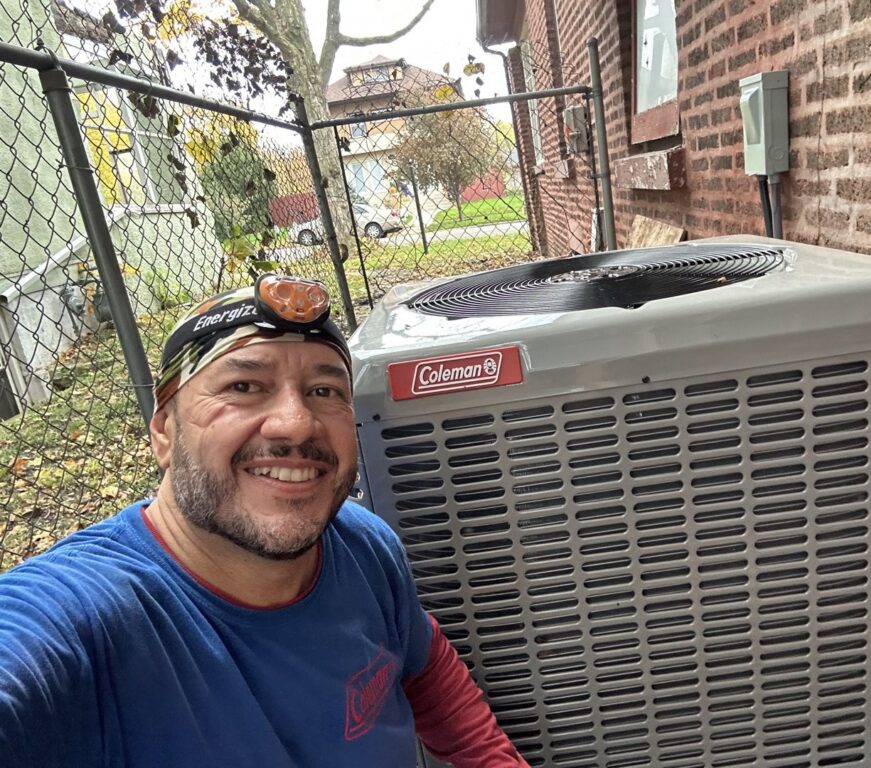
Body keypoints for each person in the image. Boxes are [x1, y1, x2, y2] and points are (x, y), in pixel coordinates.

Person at [0, 275, 529, 767]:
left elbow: (426, 666)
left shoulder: (366, 547)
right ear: (163, 433)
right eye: (244, 387)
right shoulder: (88, 618)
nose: (297, 423)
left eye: (325, 391)